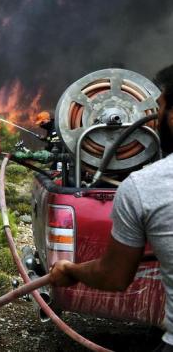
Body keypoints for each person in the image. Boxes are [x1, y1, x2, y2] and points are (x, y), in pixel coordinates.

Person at [50, 64, 173, 351]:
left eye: (160, 108)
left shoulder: (145, 187)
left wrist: (72, 270)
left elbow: (113, 276)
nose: (152, 119)